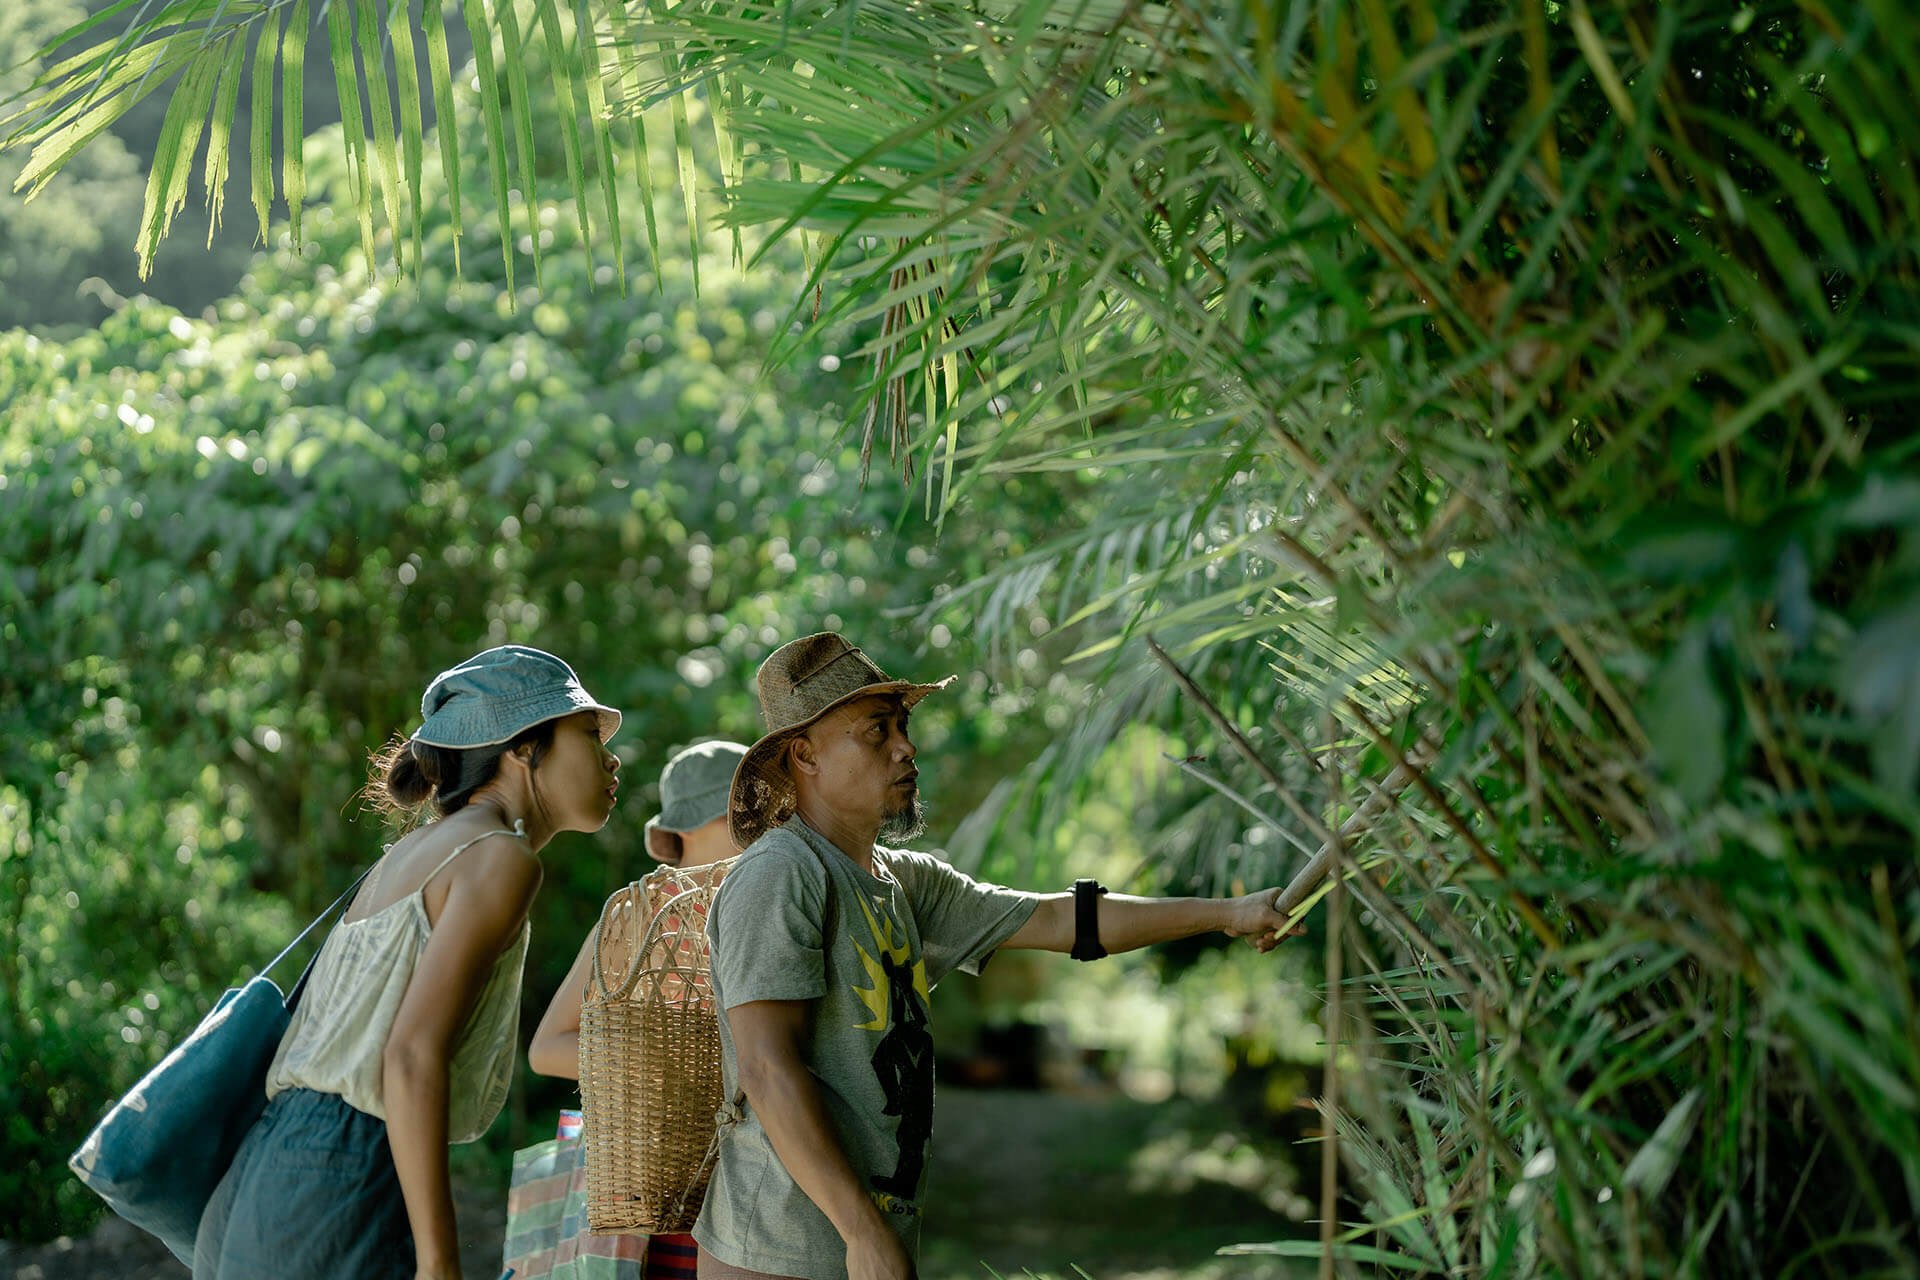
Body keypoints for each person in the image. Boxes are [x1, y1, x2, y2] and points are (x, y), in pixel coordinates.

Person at [693, 633, 1304, 1280]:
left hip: (855, 1244)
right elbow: (766, 1069)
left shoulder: (904, 883)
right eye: (876, 731)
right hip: (777, 1250)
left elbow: (1060, 917)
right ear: (805, 755)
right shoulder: (782, 875)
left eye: (903, 725)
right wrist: (863, 1232)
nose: (907, 746)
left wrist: (1229, 913)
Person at [193, 645, 624, 1280]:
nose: (611, 757)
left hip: (262, 1177)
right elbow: (411, 1055)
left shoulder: (418, 848)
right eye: (588, 733)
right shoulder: (499, 859)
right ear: (523, 746)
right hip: (341, 1177)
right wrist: (439, 1261)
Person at [519, 739, 750, 1280]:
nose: (761, 828)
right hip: (653, 1204)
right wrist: (664, 1071)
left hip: (753, 1197)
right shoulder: (635, 918)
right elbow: (546, 1048)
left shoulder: (774, 910)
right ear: (687, 827)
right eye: (741, 813)